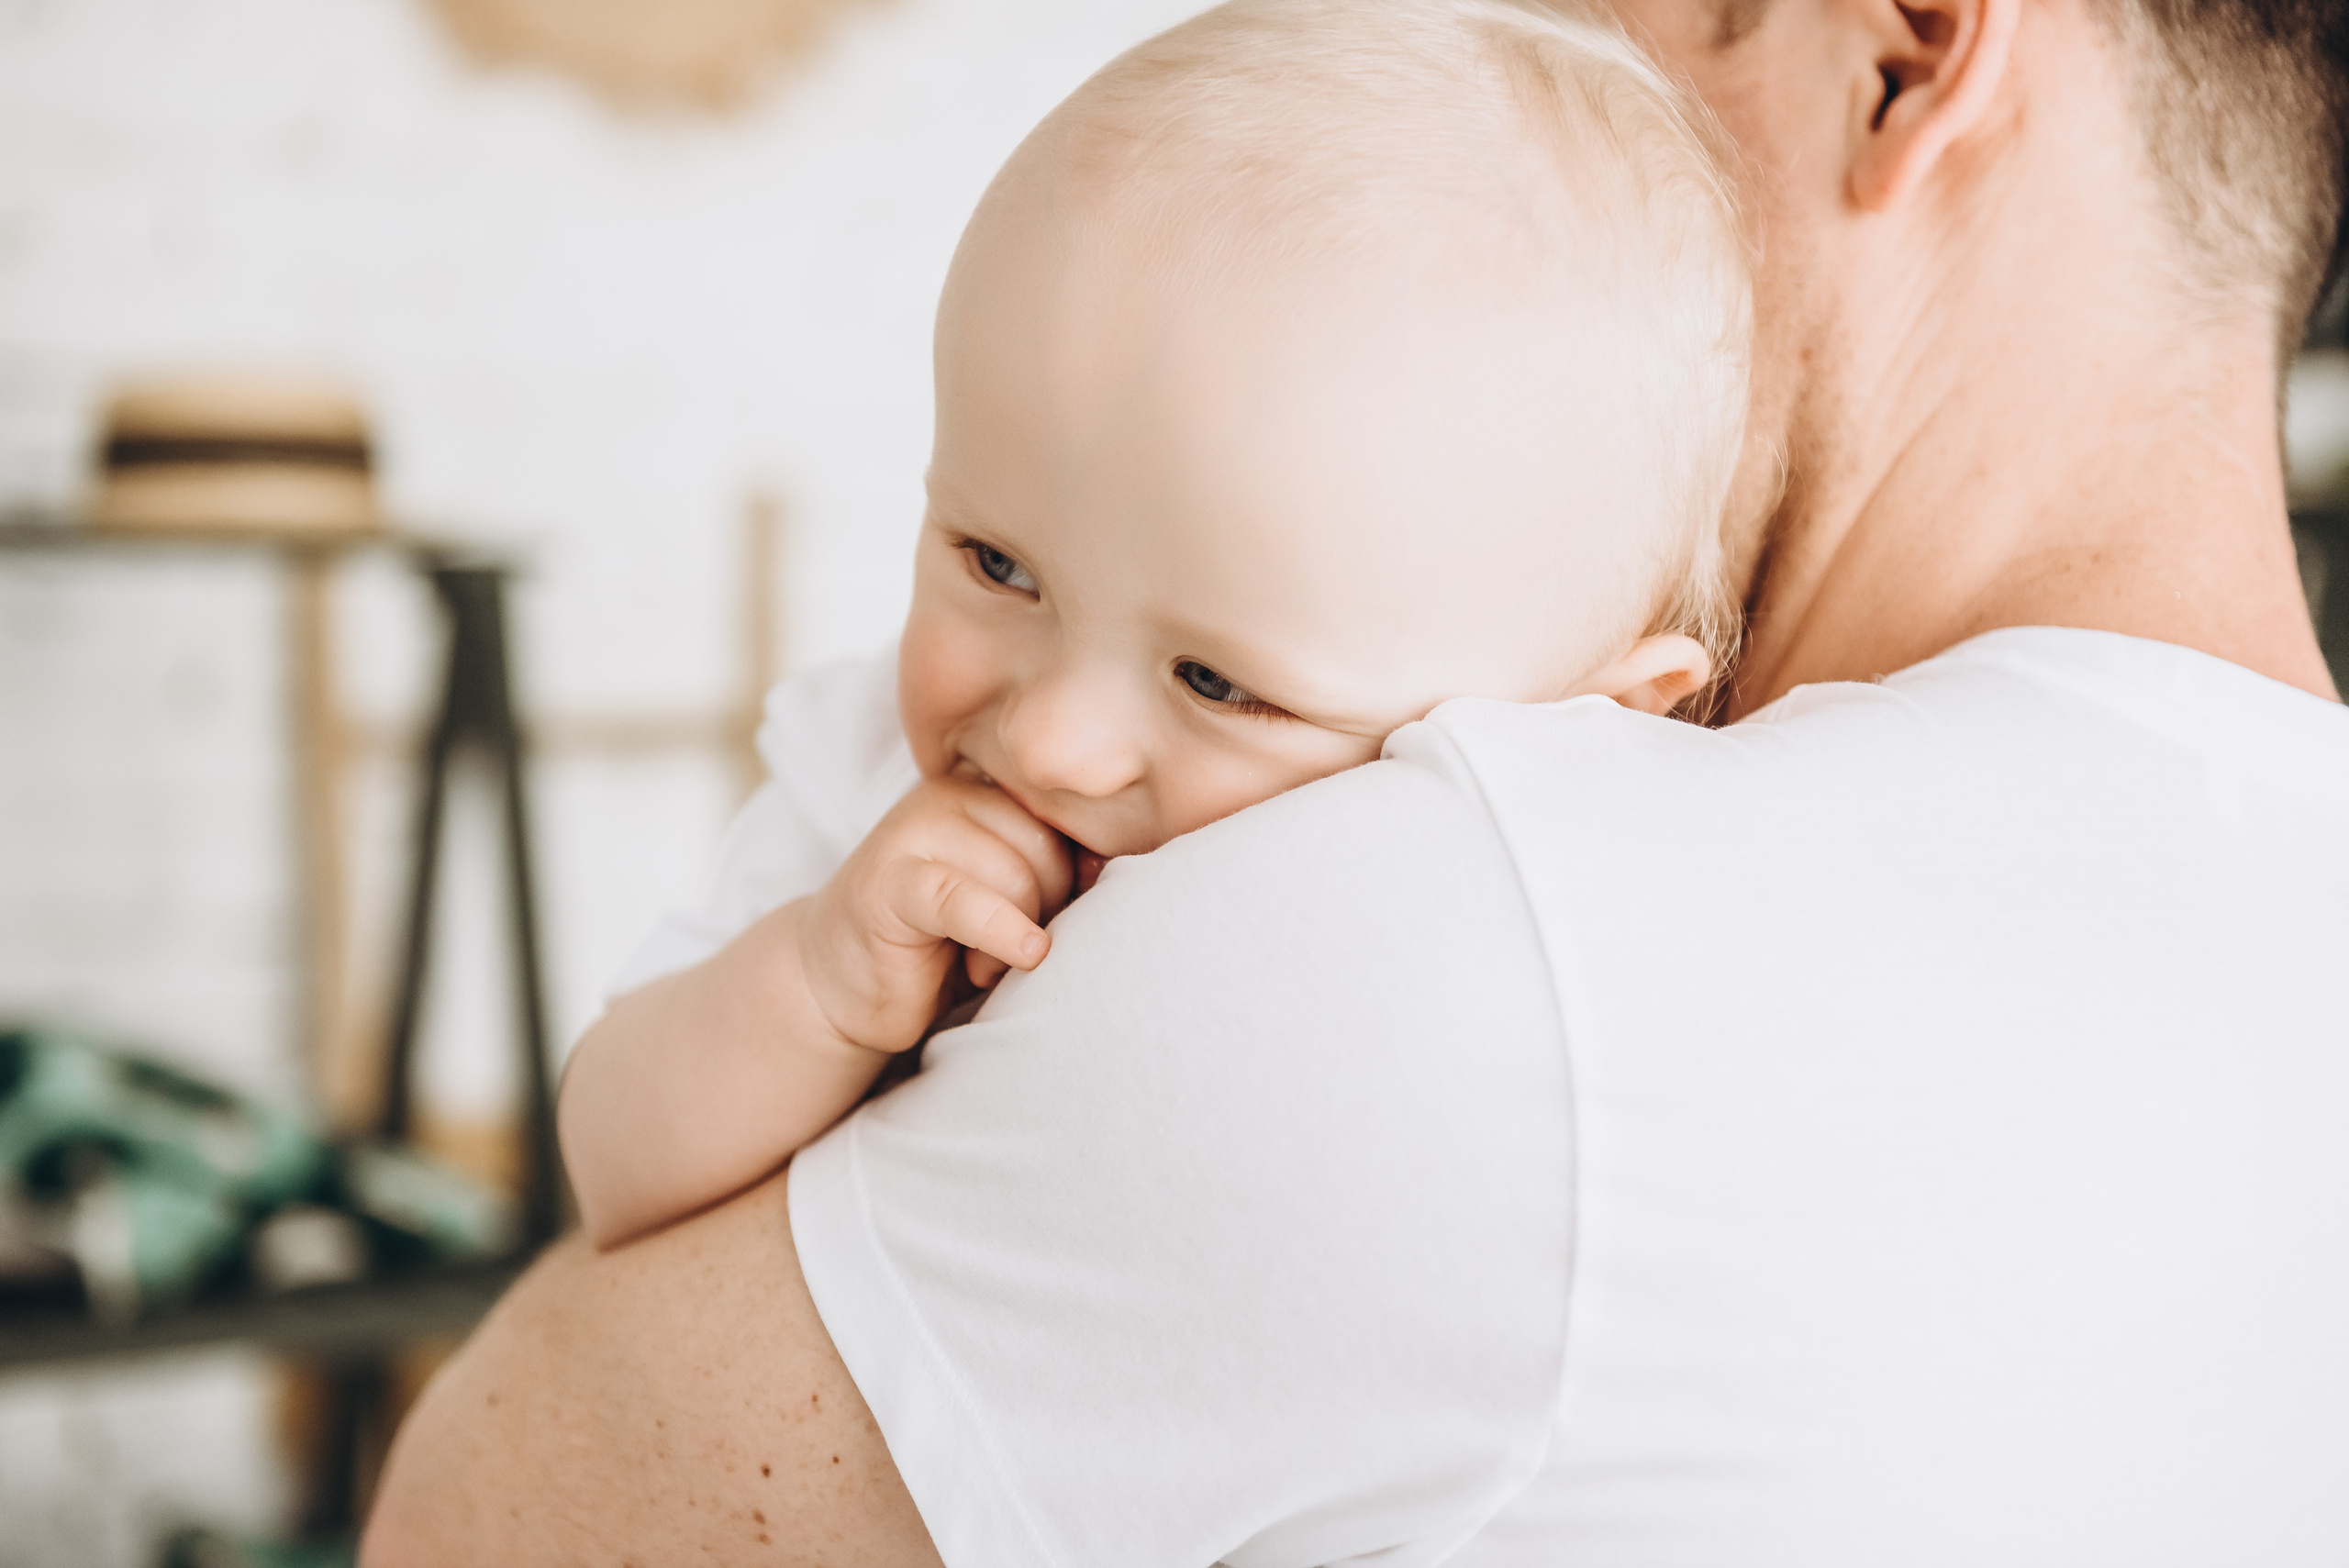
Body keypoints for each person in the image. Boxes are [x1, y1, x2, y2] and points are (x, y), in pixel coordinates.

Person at [363, 0, 2349, 1559]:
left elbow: (488, 1523)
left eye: (1581, 14)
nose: (1058, 741)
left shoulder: (1489, 918)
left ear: (1900, 46)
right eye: (987, 562)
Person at [556, 0, 1749, 1254]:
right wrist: (814, 981)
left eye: (1218, 682)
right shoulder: (864, 806)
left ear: (1583, 727)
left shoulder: (1526, 984)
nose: (1057, 741)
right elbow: (608, 1164)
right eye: (997, 563)